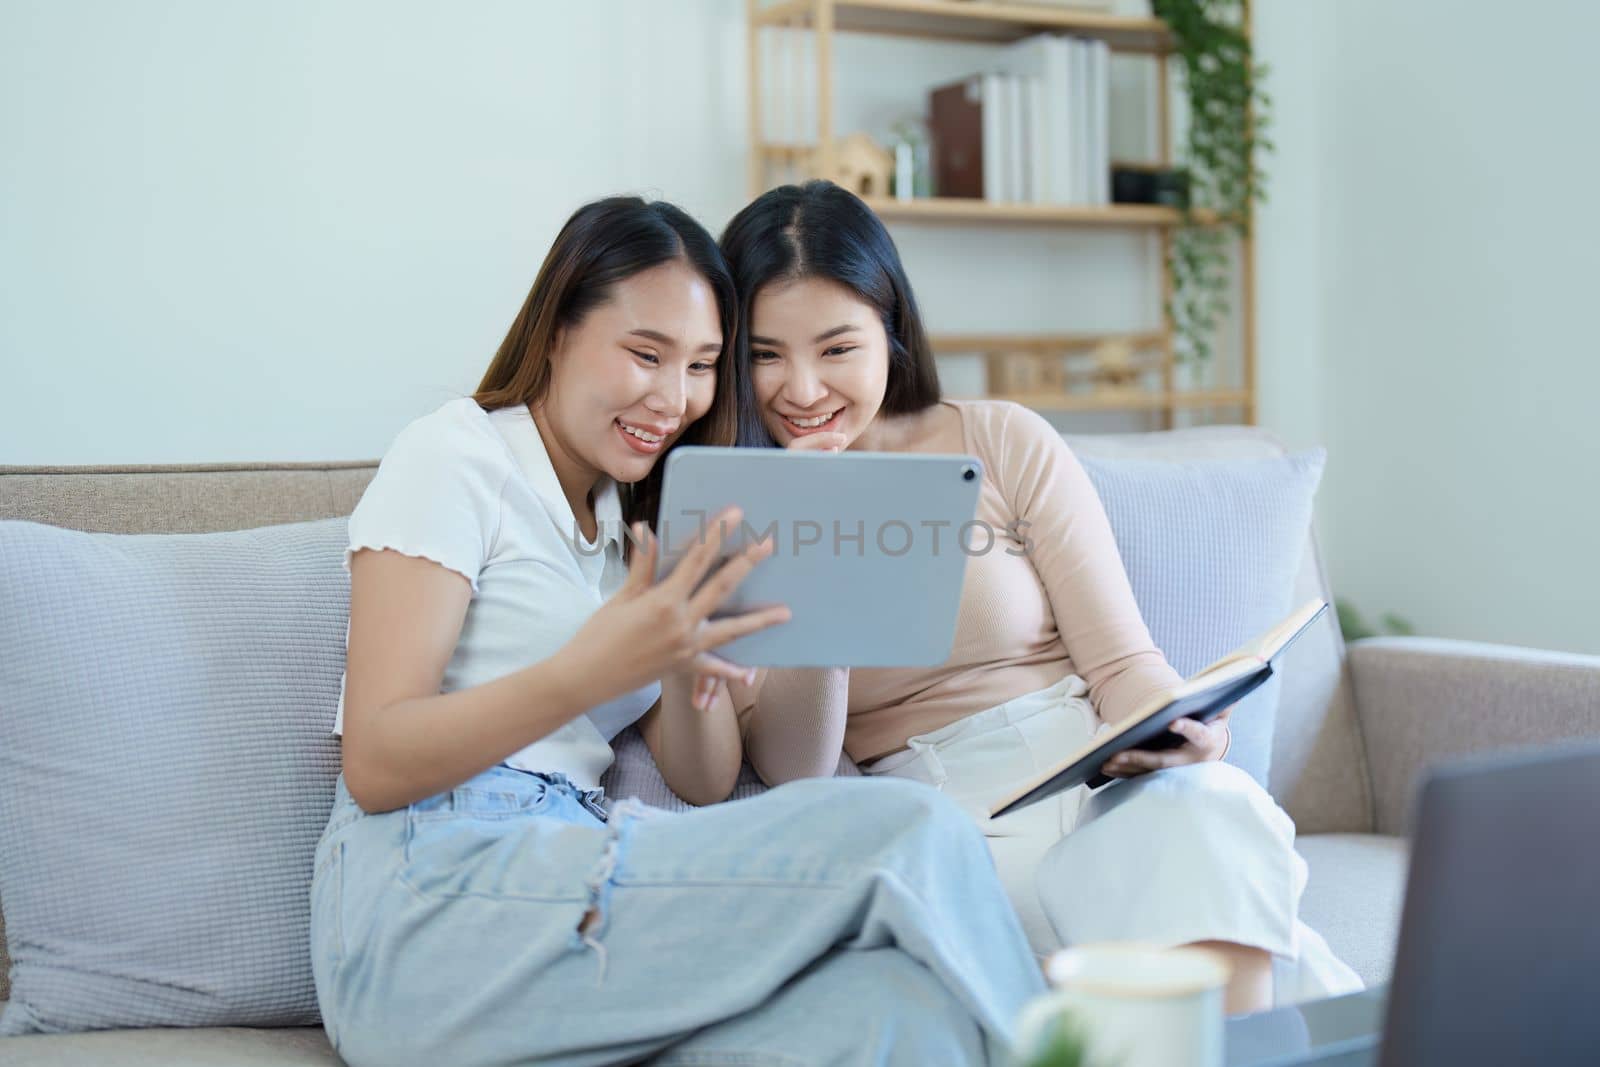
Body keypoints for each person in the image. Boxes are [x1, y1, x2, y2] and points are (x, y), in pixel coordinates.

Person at [310, 194, 1045, 1067]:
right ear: (556, 332)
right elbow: (377, 758)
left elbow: (702, 780)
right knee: (914, 829)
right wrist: (593, 669)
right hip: (430, 896)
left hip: (571, 882)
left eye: (701, 366)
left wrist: (695, 664)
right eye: (645, 354)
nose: (674, 398)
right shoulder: (457, 457)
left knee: (899, 1011)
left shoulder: (639, 527)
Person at [719, 180, 1363, 1014]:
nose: (801, 389)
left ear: (891, 332)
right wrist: (817, 552)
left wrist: (1181, 722)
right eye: (766, 354)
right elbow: (790, 768)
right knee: (1256, 929)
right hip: (949, 811)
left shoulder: (996, 436)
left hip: (1097, 770)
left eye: (837, 349)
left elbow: (1124, 661)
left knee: (1211, 804)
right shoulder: (734, 504)